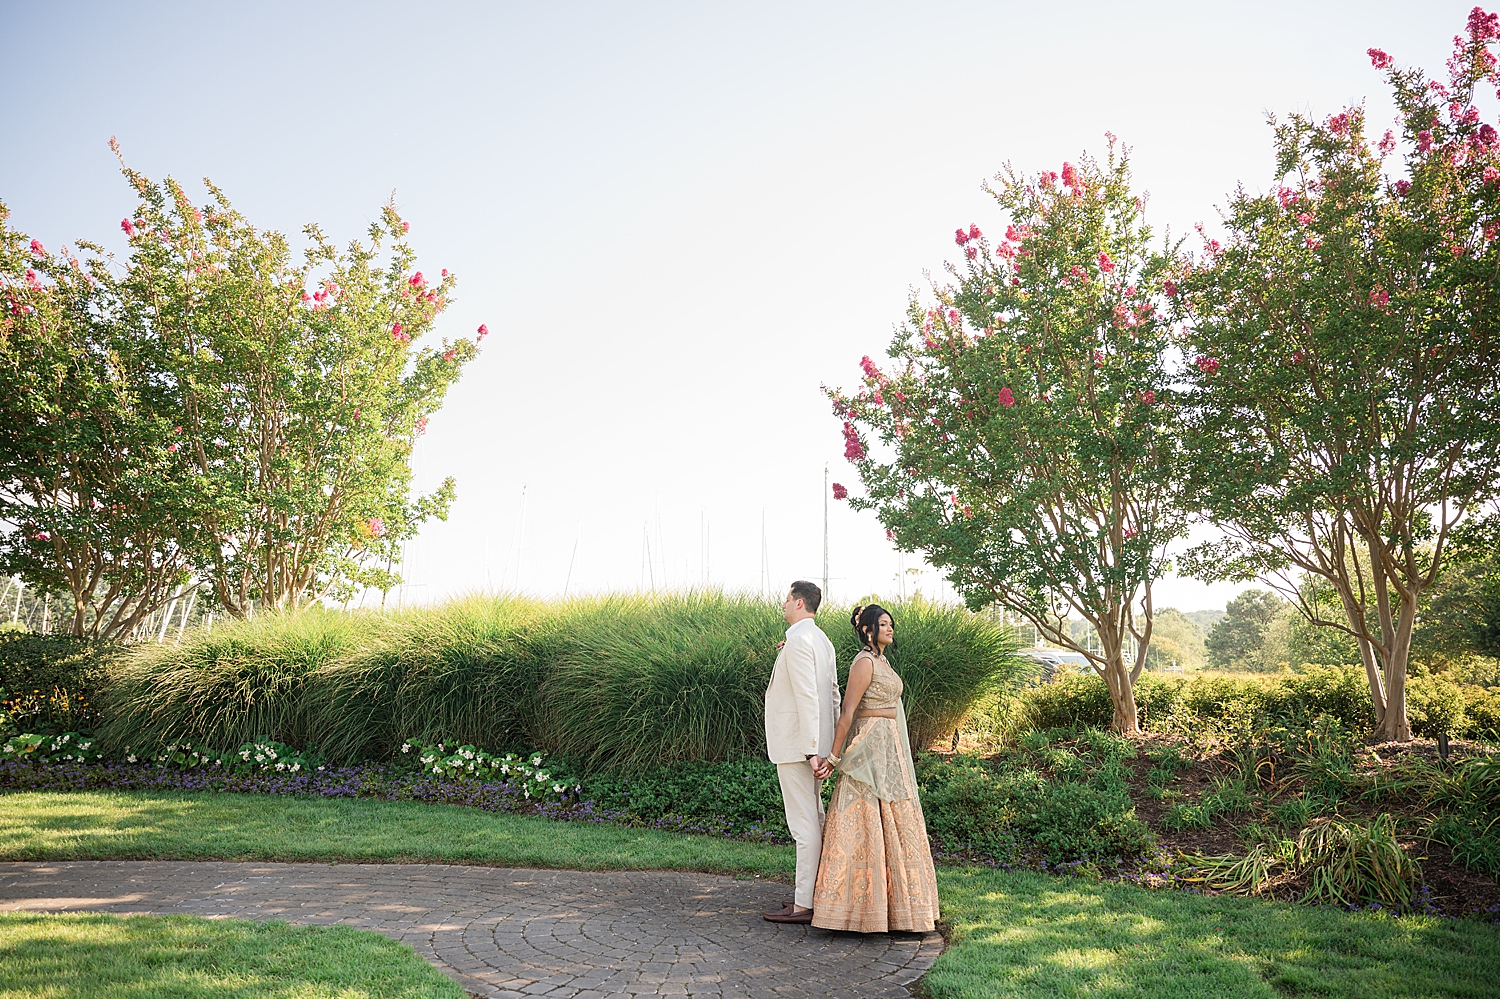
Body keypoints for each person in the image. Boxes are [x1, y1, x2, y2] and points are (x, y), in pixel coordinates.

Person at [810, 604, 939, 933]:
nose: (890, 629)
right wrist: (834, 757)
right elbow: (848, 712)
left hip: (888, 747)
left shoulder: (883, 660)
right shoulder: (864, 662)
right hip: (868, 748)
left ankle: (898, 907)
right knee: (865, 820)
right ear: (868, 630)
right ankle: (854, 908)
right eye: (884, 624)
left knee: (894, 819)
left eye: (890, 624)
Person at [762, 580, 840, 924]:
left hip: (798, 748)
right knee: (815, 819)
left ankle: (804, 906)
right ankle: (810, 894)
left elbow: (808, 696)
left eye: (786, 599)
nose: (782, 605)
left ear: (798, 603)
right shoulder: (822, 640)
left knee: (803, 824)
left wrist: (810, 750)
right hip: (818, 746)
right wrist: (828, 748)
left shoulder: (798, 641)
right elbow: (832, 696)